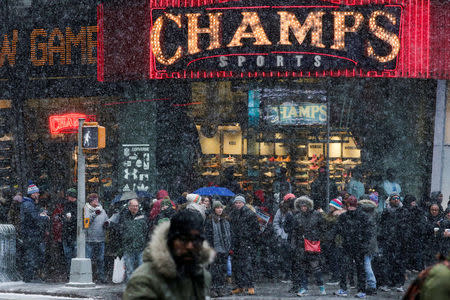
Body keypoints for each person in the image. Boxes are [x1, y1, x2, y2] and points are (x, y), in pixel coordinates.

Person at [123, 210, 215, 300]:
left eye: (196, 240)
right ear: (171, 241)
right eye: (183, 240)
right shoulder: (144, 280)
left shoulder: (202, 275)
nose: (190, 246)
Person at [334, 195, 375, 298]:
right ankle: (357, 290)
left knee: (354, 268)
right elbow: (368, 232)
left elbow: (368, 232)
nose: (350, 207)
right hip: (353, 245)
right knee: (355, 268)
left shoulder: (348, 217)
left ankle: (350, 289)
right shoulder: (361, 216)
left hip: (354, 245)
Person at [289, 195, 326, 297]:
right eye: (301, 206)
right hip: (302, 245)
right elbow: (294, 232)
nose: (303, 208)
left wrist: (318, 239)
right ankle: (304, 287)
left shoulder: (316, 215)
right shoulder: (297, 217)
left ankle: (321, 285)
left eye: (305, 206)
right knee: (303, 267)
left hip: (312, 243)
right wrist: (293, 245)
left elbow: (323, 228)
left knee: (315, 266)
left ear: (309, 206)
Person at [377, 193, 409, 292]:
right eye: (394, 198)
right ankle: (387, 282)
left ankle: (399, 283)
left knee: (399, 263)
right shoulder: (386, 212)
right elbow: (381, 226)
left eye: (398, 198)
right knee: (387, 262)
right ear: (390, 200)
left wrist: (404, 238)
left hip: (399, 241)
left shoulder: (404, 211)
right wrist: (384, 237)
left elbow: (407, 226)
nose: (396, 200)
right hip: (388, 241)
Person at [229, 194, 259, 295]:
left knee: (246, 266)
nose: (238, 204)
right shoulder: (233, 213)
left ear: (243, 203)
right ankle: (239, 286)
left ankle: (250, 286)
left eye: (239, 202)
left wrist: (248, 239)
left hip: (246, 243)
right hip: (236, 243)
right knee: (236, 266)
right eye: (236, 203)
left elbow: (255, 230)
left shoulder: (250, 214)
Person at [20, 181, 49, 282]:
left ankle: (30, 277)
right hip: (31, 235)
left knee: (33, 256)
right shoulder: (28, 204)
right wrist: (44, 217)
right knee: (31, 256)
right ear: (32, 194)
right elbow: (34, 218)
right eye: (36, 193)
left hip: (31, 234)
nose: (38, 194)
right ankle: (28, 278)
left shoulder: (29, 203)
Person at [117, 198, 149, 281]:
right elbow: (120, 231)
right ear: (129, 207)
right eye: (133, 206)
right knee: (129, 270)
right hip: (128, 247)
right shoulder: (124, 217)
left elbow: (147, 231)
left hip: (140, 247)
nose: (135, 207)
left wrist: (146, 243)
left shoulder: (143, 216)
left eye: (137, 206)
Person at [204, 200, 231, 297]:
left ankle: (219, 288)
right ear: (214, 209)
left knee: (222, 270)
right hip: (215, 248)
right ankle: (213, 288)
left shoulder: (225, 219)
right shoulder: (210, 220)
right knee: (214, 270)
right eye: (217, 208)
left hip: (224, 248)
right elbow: (208, 236)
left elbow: (228, 234)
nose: (219, 209)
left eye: (221, 207)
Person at [83, 193, 108, 283]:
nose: (97, 201)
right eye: (95, 200)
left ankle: (101, 277)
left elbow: (106, 219)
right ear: (90, 201)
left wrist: (107, 223)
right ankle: (87, 277)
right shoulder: (86, 209)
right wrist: (94, 214)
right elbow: (86, 223)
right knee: (88, 260)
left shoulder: (102, 210)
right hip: (89, 239)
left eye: (97, 199)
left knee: (100, 260)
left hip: (100, 239)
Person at [321, 198, 345, 286]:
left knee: (335, 259)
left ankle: (336, 277)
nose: (330, 206)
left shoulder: (338, 215)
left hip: (337, 240)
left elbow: (329, 220)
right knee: (333, 259)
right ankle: (336, 276)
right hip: (332, 240)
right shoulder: (332, 214)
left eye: (331, 205)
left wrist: (322, 213)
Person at [273, 193, 295, 282]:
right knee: (285, 256)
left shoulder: (297, 209)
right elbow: (276, 223)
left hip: (294, 236)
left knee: (293, 257)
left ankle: (292, 274)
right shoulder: (280, 210)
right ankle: (287, 274)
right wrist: (280, 234)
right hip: (284, 236)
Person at [61, 188, 78, 278]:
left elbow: (70, 219)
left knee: (71, 256)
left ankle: (71, 273)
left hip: (71, 233)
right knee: (71, 256)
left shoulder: (74, 206)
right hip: (71, 234)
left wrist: (68, 219)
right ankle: (71, 273)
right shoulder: (74, 205)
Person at [424, 203, 444, 267]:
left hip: (439, 245)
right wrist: (435, 224)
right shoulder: (426, 218)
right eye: (432, 210)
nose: (434, 211)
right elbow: (425, 228)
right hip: (428, 245)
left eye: (436, 210)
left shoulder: (441, 218)